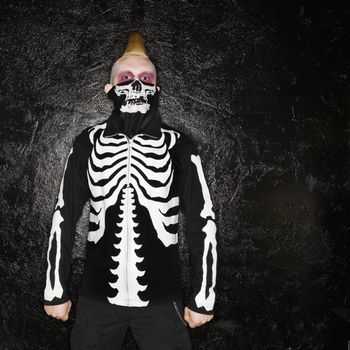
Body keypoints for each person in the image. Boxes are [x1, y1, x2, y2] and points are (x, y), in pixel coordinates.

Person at [43, 32, 218, 350]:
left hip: (162, 303)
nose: (136, 85)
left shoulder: (179, 145)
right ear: (109, 89)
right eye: (126, 77)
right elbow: (64, 214)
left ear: (156, 89)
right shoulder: (88, 142)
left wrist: (203, 295)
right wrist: (55, 289)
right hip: (96, 301)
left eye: (145, 78)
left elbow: (201, 221)